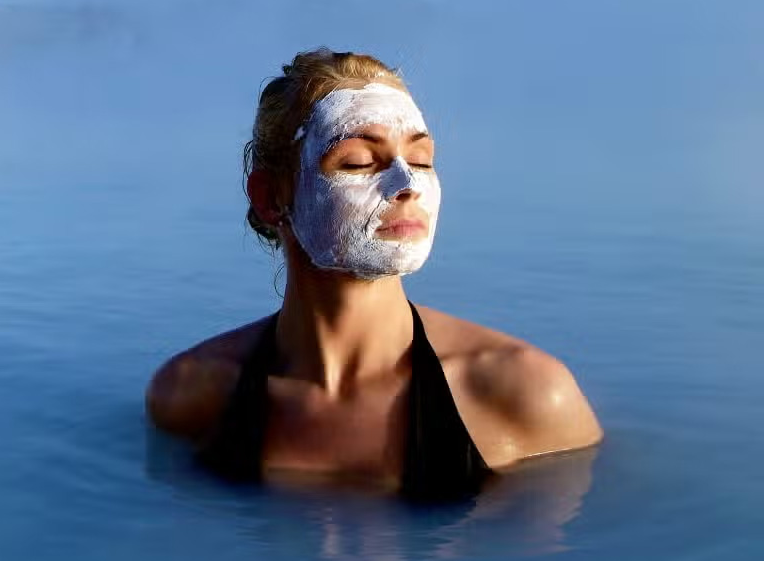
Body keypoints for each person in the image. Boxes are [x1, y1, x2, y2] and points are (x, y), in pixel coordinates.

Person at [145, 49, 603, 501]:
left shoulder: (525, 397)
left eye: (422, 160)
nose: (408, 184)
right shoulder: (193, 393)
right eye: (360, 162)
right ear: (269, 198)